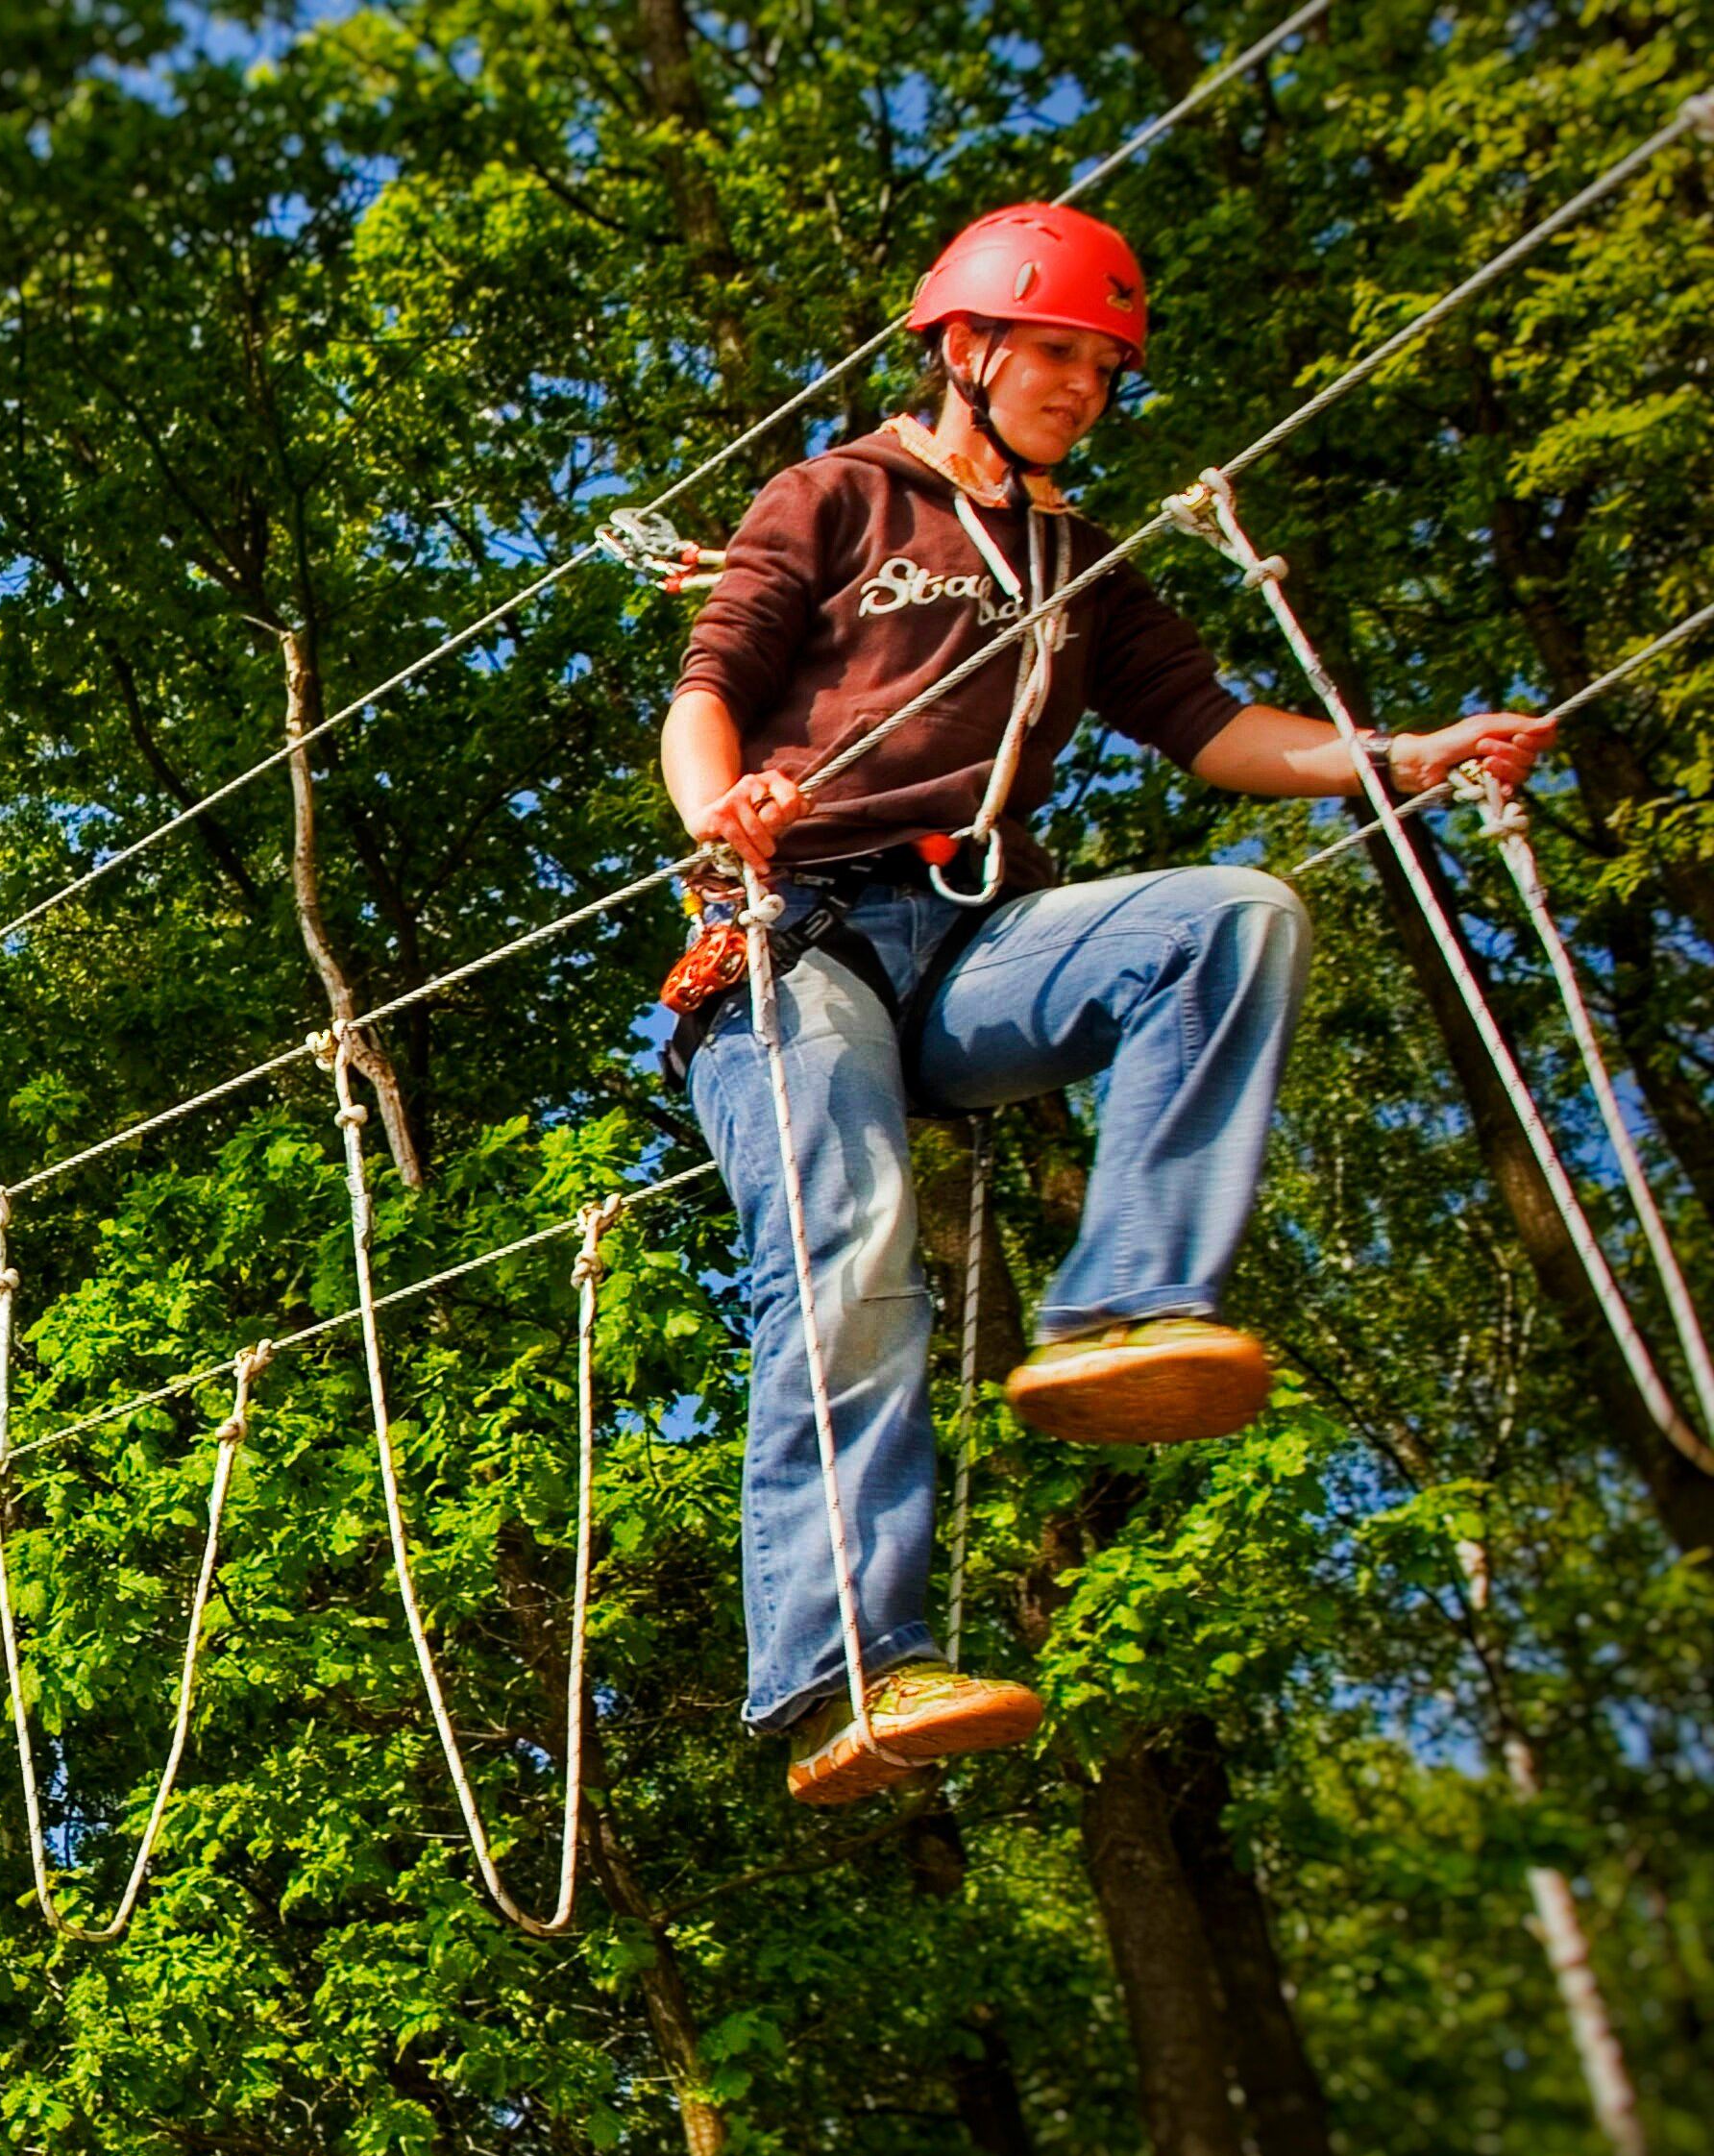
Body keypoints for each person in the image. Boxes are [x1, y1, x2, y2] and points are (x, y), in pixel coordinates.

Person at [659, 202, 1553, 1806]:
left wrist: (1399, 758)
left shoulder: (1081, 564)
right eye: (1055, 353)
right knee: (847, 1245)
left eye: (1102, 364)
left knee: (1231, 915)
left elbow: (1215, 730)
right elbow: (709, 684)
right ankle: (841, 1671)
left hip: (976, 940)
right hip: (803, 936)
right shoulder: (838, 497)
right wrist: (718, 812)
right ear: (964, 348)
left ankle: (1126, 1306)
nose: (1082, 385)